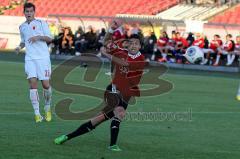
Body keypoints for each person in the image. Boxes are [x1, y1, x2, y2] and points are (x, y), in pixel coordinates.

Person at [54, 34, 145, 152]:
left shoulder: (141, 59)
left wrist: (107, 53)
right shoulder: (121, 52)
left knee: (99, 119)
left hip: (127, 93)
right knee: (119, 112)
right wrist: (106, 46)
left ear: (140, 46)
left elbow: (125, 64)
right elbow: (106, 45)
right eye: (131, 43)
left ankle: (67, 136)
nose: (133, 45)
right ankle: (113, 146)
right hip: (113, 89)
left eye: (136, 43)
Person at [15, 3, 53, 123]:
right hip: (30, 59)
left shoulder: (42, 23)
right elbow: (23, 41)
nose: (29, 13)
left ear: (34, 12)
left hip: (43, 58)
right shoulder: (22, 27)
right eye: (27, 11)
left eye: (31, 11)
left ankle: (47, 107)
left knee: (46, 85)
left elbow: (50, 38)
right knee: (32, 84)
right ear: (24, 12)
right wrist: (19, 47)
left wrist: (38, 37)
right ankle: (37, 114)